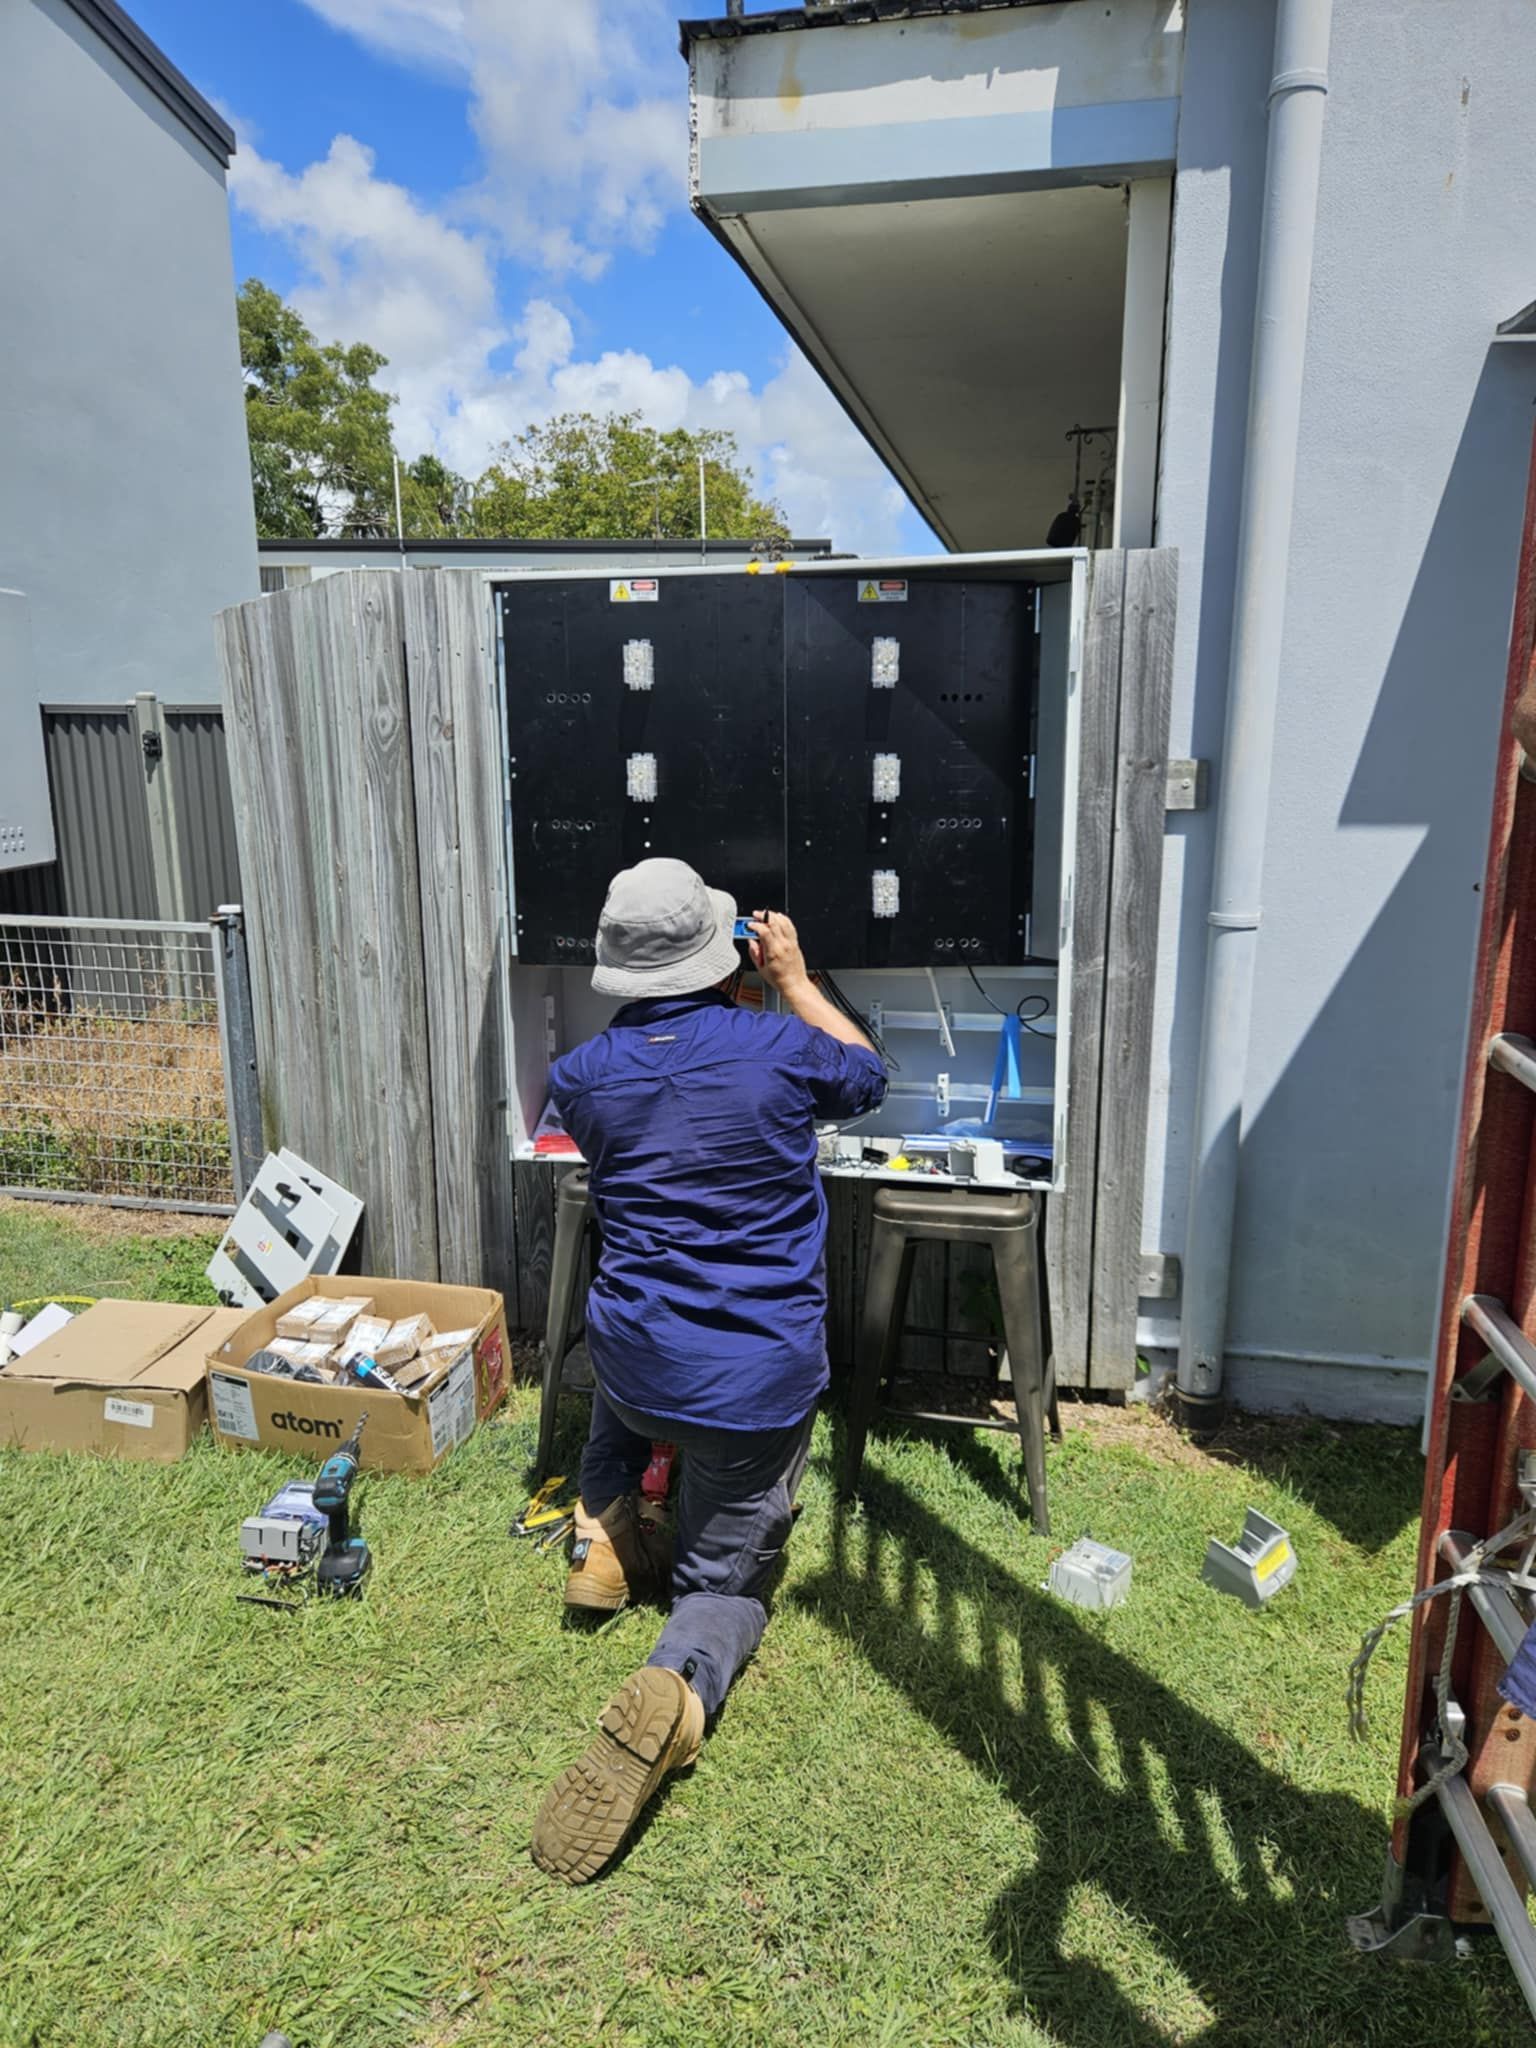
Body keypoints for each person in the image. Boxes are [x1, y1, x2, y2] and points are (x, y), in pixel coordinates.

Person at [529, 857, 887, 1883]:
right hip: (751, 1379)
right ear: (725, 949)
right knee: (732, 1571)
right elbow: (865, 1077)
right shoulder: (779, 1046)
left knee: (624, 1414)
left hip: (635, 1357)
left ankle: (601, 1534)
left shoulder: (581, 1077)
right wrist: (794, 978)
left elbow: (663, 1089)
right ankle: (679, 1689)